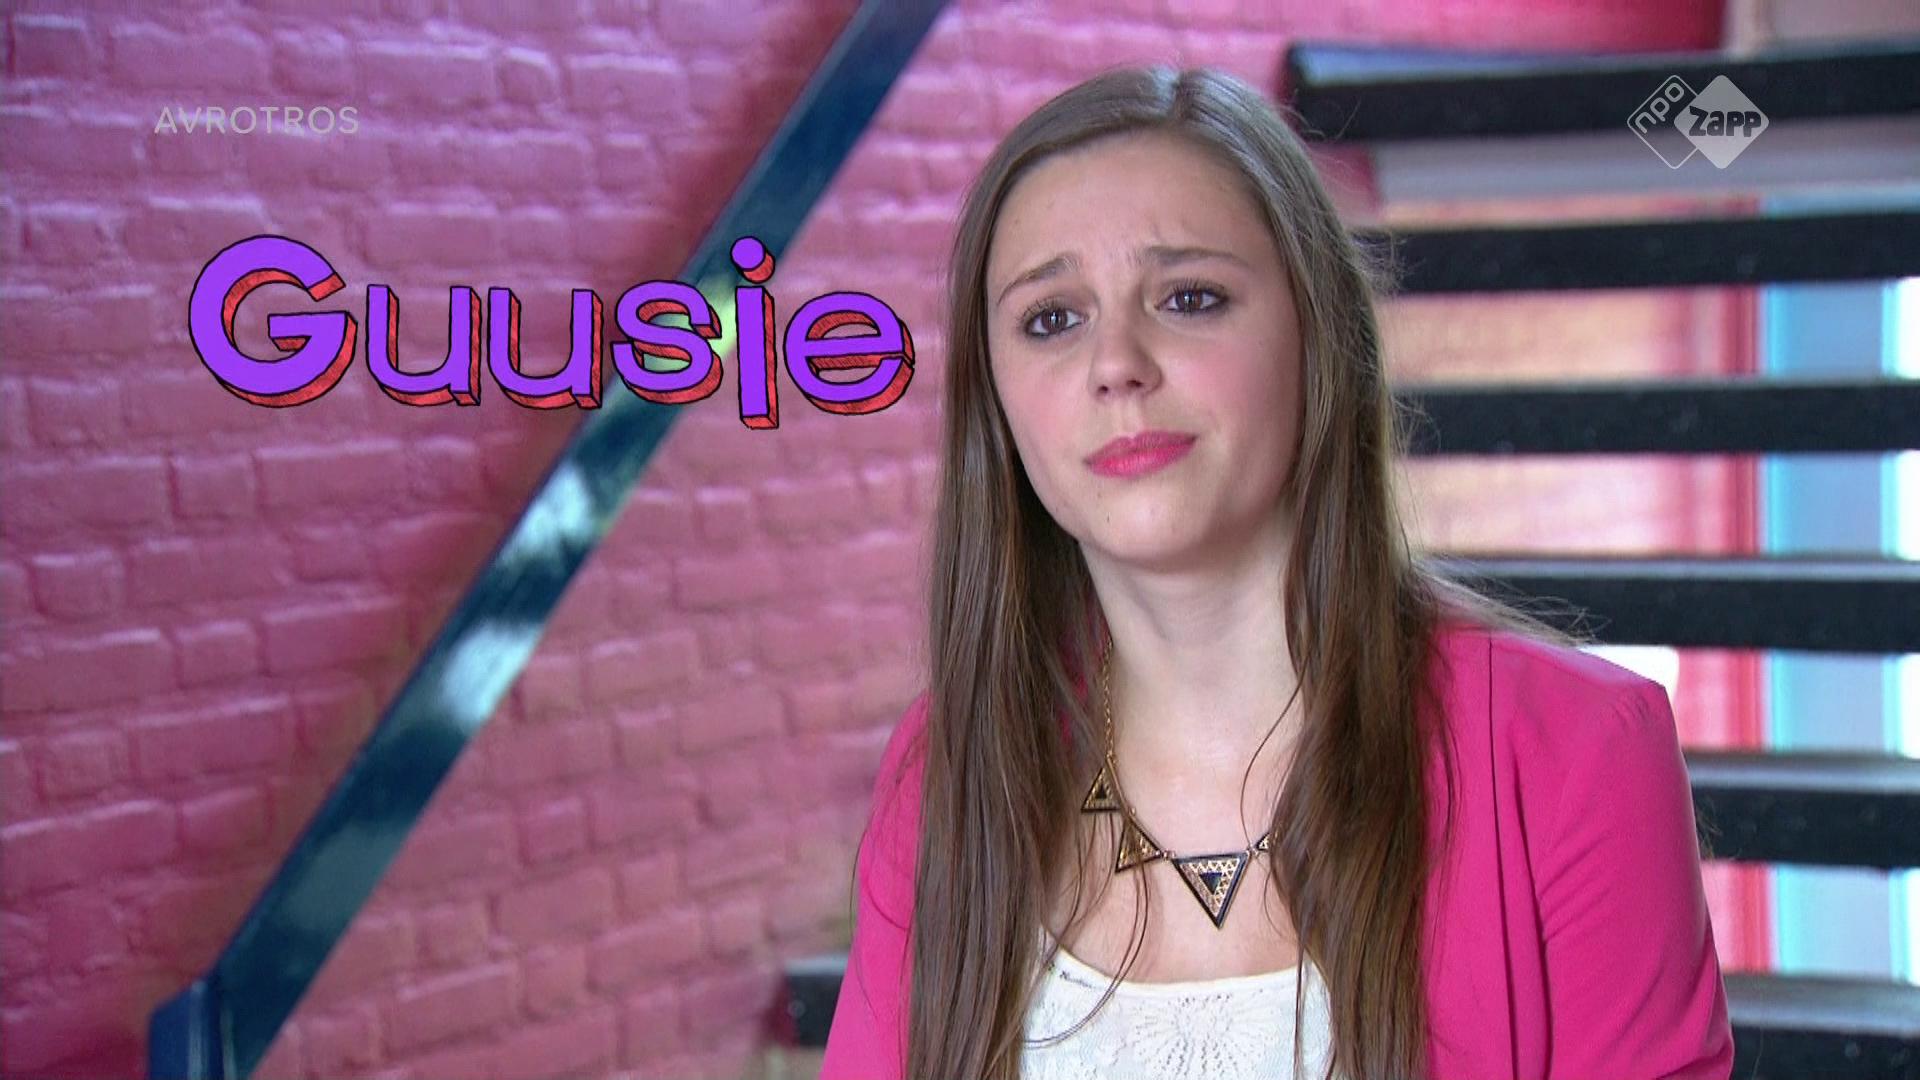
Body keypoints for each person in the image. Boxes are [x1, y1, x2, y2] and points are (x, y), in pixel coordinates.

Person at [818, 64, 1733, 1080]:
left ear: (1317, 336)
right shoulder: (949, 767)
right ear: (995, 405)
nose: (1116, 364)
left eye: (1190, 298)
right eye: (1051, 319)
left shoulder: (1576, 756)